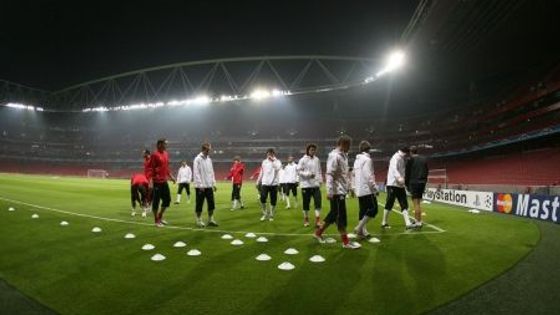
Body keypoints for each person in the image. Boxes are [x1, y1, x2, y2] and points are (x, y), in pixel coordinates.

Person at [313, 136, 360, 249]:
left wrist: (350, 188)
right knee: (340, 216)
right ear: (343, 144)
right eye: (348, 145)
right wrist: (329, 191)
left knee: (334, 214)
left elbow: (344, 175)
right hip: (336, 192)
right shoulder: (334, 156)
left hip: (341, 191)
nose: (350, 148)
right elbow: (330, 174)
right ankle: (345, 242)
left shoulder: (344, 156)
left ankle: (318, 233)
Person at [382, 146, 414, 229]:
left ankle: (408, 223)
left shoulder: (401, 158)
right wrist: (399, 178)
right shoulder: (395, 157)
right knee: (389, 203)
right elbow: (394, 169)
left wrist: (403, 182)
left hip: (400, 185)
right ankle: (384, 222)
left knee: (404, 203)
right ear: (405, 152)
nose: (407, 156)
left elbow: (402, 171)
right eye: (407, 154)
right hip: (393, 184)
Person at [353, 141, 378, 239]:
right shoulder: (367, 160)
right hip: (367, 189)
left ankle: (362, 232)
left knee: (363, 211)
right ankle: (359, 228)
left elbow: (354, 174)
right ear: (369, 149)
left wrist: (354, 187)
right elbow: (368, 176)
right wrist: (375, 188)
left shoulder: (357, 160)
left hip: (359, 189)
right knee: (374, 209)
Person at [149, 139, 176, 227]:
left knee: (167, 200)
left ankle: (160, 216)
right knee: (156, 202)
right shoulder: (154, 155)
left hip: (164, 181)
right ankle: (156, 221)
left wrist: (171, 176)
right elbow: (151, 169)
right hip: (157, 182)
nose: (166, 146)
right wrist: (151, 181)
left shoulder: (166, 154)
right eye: (165, 144)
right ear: (159, 144)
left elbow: (166, 167)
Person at [297, 143, 323, 227]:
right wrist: (308, 174)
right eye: (311, 150)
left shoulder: (317, 159)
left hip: (315, 185)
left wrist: (320, 180)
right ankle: (306, 219)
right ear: (308, 150)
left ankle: (318, 220)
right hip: (306, 185)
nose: (313, 151)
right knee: (306, 204)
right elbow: (298, 171)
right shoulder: (303, 160)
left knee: (318, 202)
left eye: (314, 150)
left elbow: (319, 171)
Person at [193, 143, 218, 227]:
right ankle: (199, 220)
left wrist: (214, 183)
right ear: (204, 149)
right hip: (200, 187)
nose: (209, 151)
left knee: (211, 204)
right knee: (199, 204)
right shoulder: (197, 159)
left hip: (209, 186)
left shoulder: (209, 159)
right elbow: (196, 173)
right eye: (208, 150)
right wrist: (200, 185)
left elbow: (211, 172)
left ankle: (211, 219)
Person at [405, 145, 429, 228]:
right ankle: (417, 220)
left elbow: (407, 174)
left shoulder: (410, 159)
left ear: (411, 152)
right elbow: (426, 171)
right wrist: (424, 181)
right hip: (422, 182)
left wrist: (406, 185)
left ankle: (418, 222)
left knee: (416, 203)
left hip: (414, 183)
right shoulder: (424, 159)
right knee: (418, 202)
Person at [257, 148, 282, 221]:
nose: (269, 155)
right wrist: (258, 181)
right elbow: (262, 172)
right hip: (265, 183)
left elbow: (277, 168)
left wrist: (273, 161)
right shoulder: (264, 162)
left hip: (274, 184)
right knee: (262, 198)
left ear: (274, 154)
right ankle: (264, 214)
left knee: (273, 201)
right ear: (267, 154)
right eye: (268, 153)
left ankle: (271, 214)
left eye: (271, 153)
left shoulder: (277, 161)